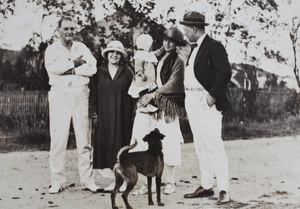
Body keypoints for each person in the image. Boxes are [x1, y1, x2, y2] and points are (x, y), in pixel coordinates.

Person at [179, 11, 232, 204]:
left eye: (186, 28)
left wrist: (212, 95)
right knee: (200, 145)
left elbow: (225, 72)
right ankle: (207, 185)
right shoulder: (194, 48)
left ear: (194, 28)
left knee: (213, 144)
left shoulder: (214, 46)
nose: (184, 32)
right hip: (191, 99)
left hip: (205, 100)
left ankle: (224, 189)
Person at [44, 16, 100, 194]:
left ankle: (87, 180)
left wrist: (71, 70)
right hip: (60, 95)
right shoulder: (51, 49)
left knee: (84, 140)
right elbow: (53, 69)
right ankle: (57, 181)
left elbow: (93, 68)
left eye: (72, 29)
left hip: (80, 94)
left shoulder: (81, 47)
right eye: (66, 28)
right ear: (58, 30)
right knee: (58, 139)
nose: (69, 32)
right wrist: (75, 63)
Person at [130, 27, 186, 195]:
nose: (168, 43)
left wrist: (153, 95)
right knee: (149, 143)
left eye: (172, 41)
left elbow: (174, 83)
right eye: (165, 39)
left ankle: (170, 181)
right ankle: (151, 182)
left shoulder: (178, 61)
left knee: (169, 142)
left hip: (167, 105)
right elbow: (140, 57)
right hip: (153, 105)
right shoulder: (157, 56)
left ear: (177, 44)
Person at [89, 40, 135, 192]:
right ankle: (115, 180)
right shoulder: (99, 72)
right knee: (107, 146)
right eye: (111, 52)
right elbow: (93, 95)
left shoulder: (127, 72)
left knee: (121, 147)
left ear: (122, 56)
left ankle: (122, 181)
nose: (114, 55)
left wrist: (133, 114)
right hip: (105, 116)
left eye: (118, 53)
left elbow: (134, 94)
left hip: (123, 115)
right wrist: (94, 114)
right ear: (107, 54)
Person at [128, 34, 158, 113]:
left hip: (149, 77)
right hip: (143, 79)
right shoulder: (140, 54)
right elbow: (138, 66)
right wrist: (141, 74)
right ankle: (142, 106)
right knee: (143, 92)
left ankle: (147, 105)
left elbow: (155, 54)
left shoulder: (148, 55)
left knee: (148, 91)